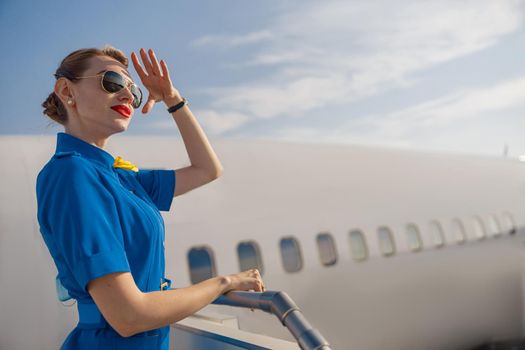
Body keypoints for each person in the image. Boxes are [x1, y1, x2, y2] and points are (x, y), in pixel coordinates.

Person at [37, 44, 265, 350]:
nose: (129, 96)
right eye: (113, 82)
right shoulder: (72, 175)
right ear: (67, 91)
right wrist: (223, 283)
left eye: (134, 90)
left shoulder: (117, 176)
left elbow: (207, 169)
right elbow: (128, 316)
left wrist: (172, 97)